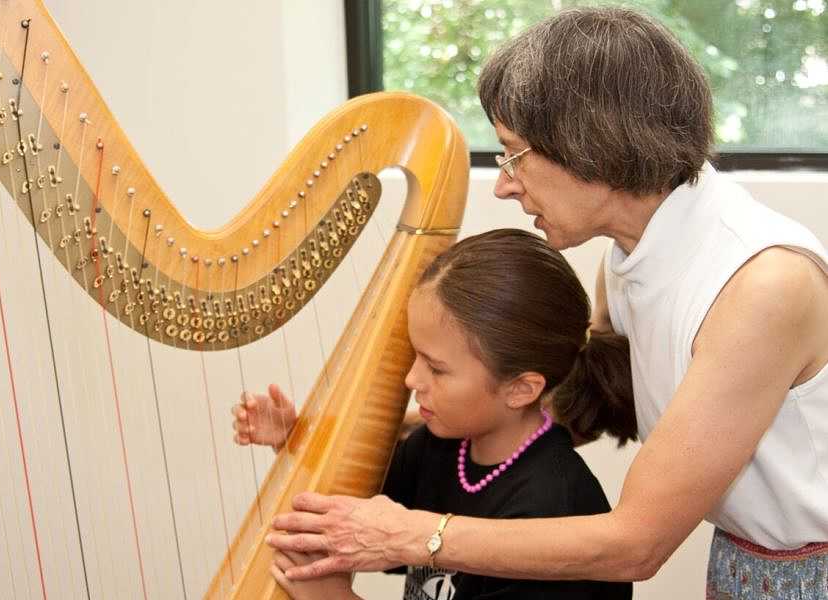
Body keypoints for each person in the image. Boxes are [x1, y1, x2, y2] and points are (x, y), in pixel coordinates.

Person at [265, 6, 828, 599]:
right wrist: (322, 435)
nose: (505, 183)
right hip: (742, 565)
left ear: (592, 145)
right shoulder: (631, 255)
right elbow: (567, 403)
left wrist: (412, 536)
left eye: (514, 153)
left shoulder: (762, 285)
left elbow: (637, 545)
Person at [234, 229, 635, 599]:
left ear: (521, 388)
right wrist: (295, 440)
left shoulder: (555, 507)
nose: (411, 379)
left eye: (436, 368)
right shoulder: (439, 447)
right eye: (415, 357)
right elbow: (351, 516)